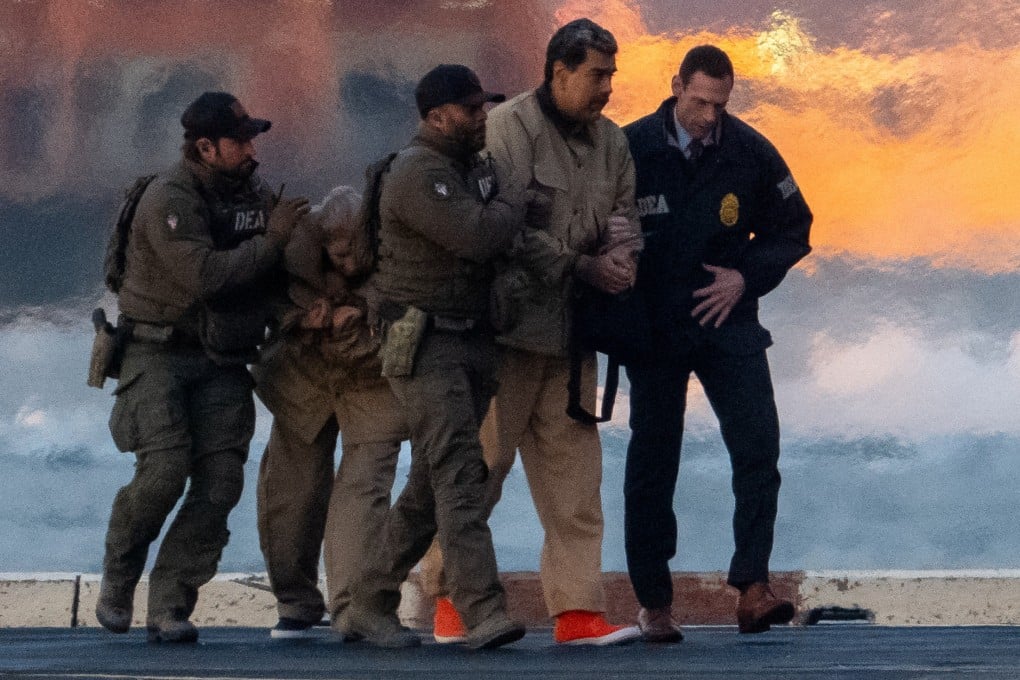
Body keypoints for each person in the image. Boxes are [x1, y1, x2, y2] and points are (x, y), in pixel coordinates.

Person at [419, 18, 641, 646]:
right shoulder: (506, 131)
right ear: (559, 70)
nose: (607, 89)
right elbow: (505, 230)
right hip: (507, 337)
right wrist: (585, 265)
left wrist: (626, 254)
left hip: (574, 340)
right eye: (597, 75)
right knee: (479, 471)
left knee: (576, 486)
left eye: (611, 76)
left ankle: (576, 614)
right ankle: (450, 604)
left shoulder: (614, 144)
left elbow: (625, 214)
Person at [95, 91, 309, 643]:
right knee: (164, 472)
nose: (251, 147)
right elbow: (206, 276)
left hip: (222, 357)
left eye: (252, 137)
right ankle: (120, 575)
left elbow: (270, 274)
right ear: (206, 147)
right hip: (157, 350)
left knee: (219, 483)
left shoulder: (253, 194)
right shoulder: (170, 197)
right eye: (240, 140)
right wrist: (273, 241)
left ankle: (170, 603)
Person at [335, 64, 534, 650]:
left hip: (472, 337)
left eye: (483, 107)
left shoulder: (473, 169)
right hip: (425, 343)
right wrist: (514, 204)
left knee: (430, 484)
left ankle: (368, 603)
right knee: (458, 473)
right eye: (471, 109)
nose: (482, 118)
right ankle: (483, 610)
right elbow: (480, 236)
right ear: (435, 115)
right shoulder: (418, 174)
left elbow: (509, 237)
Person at [621, 45, 812, 641]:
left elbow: (794, 226)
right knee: (655, 460)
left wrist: (746, 276)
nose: (708, 117)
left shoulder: (748, 149)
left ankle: (753, 585)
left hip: (728, 317)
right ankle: (654, 603)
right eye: (700, 102)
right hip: (657, 324)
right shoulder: (630, 147)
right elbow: (588, 220)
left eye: (720, 105)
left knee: (759, 448)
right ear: (676, 85)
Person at [252, 185, 408, 639]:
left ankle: (353, 606)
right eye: (337, 255)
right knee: (292, 492)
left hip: (373, 379)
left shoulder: (397, 248)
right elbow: (255, 301)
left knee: (364, 490)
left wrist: (359, 315)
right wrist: (300, 320)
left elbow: (408, 306)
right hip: (304, 378)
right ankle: (295, 600)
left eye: (355, 252)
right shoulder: (288, 250)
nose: (348, 263)